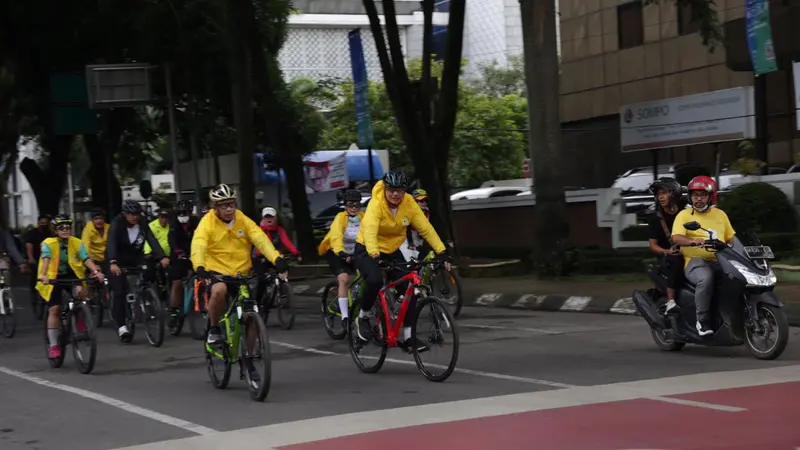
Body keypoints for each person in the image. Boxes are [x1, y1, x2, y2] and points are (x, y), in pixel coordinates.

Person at [353, 172, 451, 350]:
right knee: (374, 281)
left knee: (410, 288)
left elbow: (426, 228)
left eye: (399, 190)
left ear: (404, 191)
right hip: (367, 248)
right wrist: (375, 255)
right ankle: (363, 316)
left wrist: (441, 251)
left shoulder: (409, 203)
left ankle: (408, 337)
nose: (395, 194)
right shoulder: (376, 203)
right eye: (391, 190)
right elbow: (369, 230)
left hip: (391, 249)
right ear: (385, 189)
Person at [191, 184, 288, 346]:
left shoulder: (242, 218)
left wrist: (276, 258)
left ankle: (249, 360)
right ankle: (214, 328)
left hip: (241, 272)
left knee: (251, 314)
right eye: (224, 206)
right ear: (215, 207)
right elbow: (199, 244)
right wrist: (200, 266)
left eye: (232, 204)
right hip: (217, 271)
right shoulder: (207, 222)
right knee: (219, 291)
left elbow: (260, 239)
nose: (229, 209)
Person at [671, 175, 735, 336]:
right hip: (695, 261)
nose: (698, 199)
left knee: (738, 277)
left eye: (703, 195)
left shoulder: (720, 214)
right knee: (705, 279)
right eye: (695, 195)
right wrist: (692, 242)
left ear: (711, 196)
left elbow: (731, 238)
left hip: (721, 259)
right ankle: (703, 322)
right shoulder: (684, 215)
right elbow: (676, 237)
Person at [36, 215, 104, 359]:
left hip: (71, 275)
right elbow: (46, 259)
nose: (65, 230)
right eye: (61, 228)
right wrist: (43, 275)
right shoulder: (48, 243)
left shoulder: (76, 242)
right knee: (54, 309)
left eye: (67, 227)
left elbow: (86, 259)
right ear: (55, 230)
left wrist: (96, 272)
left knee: (81, 294)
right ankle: (54, 345)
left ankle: (79, 322)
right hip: (53, 277)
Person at [106, 200, 169, 342]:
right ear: (124, 214)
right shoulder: (117, 224)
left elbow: (151, 239)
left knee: (150, 270)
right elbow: (112, 243)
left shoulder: (142, 223)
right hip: (117, 259)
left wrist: (162, 257)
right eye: (131, 214)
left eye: (137, 214)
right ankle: (122, 326)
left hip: (135, 256)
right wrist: (113, 262)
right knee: (119, 291)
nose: (135, 217)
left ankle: (146, 297)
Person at [317, 189, 364, 324]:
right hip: (336, 252)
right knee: (344, 279)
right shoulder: (340, 218)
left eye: (357, 205)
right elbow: (336, 236)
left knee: (366, 275)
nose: (354, 208)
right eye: (350, 204)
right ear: (345, 205)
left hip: (355, 253)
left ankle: (356, 300)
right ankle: (345, 316)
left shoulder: (364, 217)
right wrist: (341, 253)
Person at [646, 178, 685, 315]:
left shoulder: (686, 210)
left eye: (664, 193)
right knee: (676, 260)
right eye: (658, 194)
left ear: (674, 193)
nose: (660, 197)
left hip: (691, 250)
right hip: (669, 256)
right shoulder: (656, 218)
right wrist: (666, 252)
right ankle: (671, 301)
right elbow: (653, 245)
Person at [166, 199, 199, 326]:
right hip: (178, 255)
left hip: (194, 254)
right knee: (177, 282)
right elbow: (172, 240)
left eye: (185, 213)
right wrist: (178, 251)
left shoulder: (196, 223)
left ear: (190, 212)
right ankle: (173, 311)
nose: (182, 215)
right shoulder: (174, 224)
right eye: (180, 213)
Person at [24, 215, 53, 297]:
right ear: (38, 223)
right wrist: (30, 257)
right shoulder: (33, 233)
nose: (44, 225)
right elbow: (29, 245)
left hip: (49, 258)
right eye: (42, 223)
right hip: (36, 258)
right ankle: (34, 294)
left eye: (46, 223)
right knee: (35, 276)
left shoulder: (51, 233)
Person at [406, 188, 432, 256]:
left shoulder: (429, 212)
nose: (424, 203)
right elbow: (406, 230)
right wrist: (410, 243)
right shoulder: (408, 213)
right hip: (411, 239)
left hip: (424, 239)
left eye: (426, 200)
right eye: (421, 201)